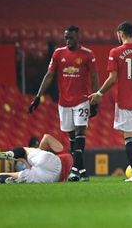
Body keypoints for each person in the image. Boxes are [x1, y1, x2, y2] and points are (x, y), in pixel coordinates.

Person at [89, 22, 132, 182]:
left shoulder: (115, 51)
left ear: (121, 33)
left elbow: (113, 78)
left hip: (124, 100)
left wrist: (99, 93)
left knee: (129, 137)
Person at [28, 25, 99, 182]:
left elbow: (94, 77)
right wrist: (38, 96)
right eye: (66, 37)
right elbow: (49, 75)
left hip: (82, 100)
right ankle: (81, 170)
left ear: (77, 37)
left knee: (81, 133)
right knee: (72, 137)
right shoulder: (58, 53)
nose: (67, 40)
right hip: (64, 102)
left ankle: (74, 169)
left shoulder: (87, 54)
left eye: (70, 37)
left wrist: (95, 98)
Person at [0, 134, 73, 184]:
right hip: (51, 178)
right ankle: (10, 180)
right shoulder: (68, 157)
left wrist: (40, 151)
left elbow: (46, 136)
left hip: (41, 169)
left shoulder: (64, 153)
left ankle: (10, 153)